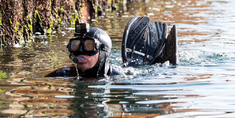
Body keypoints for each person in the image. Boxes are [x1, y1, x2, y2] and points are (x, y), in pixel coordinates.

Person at [47, 17, 178, 78]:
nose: (81, 52)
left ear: (103, 51)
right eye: (75, 46)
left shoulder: (118, 77)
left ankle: (161, 58)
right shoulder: (64, 73)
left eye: (89, 46)